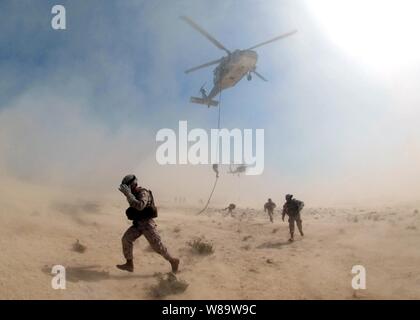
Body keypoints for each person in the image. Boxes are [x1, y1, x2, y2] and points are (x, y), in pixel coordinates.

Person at [116, 174, 180, 273]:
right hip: (138, 224)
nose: (126, 189)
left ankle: (173, 261)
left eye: (127, 186)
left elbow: (140, 206)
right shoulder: (133, 194)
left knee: (158, 247)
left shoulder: (143, 193)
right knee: (126, 239)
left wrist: (129, 195)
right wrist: (129, 195)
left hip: (147, 224)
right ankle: (129, 264)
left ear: (132, 184)